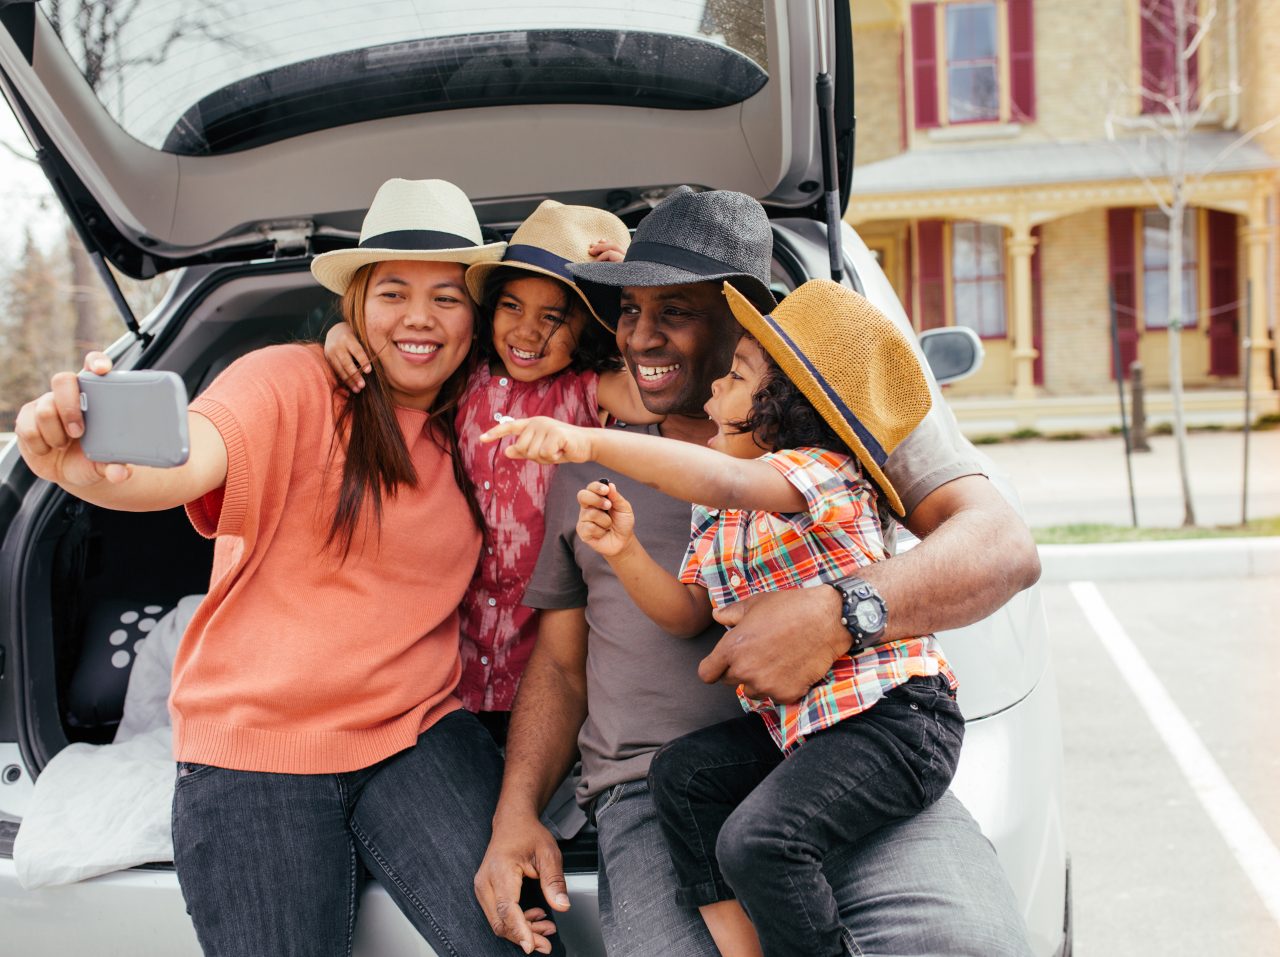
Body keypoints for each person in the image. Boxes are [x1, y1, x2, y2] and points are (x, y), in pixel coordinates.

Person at [473, 186, 1041, 957]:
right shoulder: (592, 470)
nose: (640, 336)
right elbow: (565, 664)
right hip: (660, 786)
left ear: (747, 322)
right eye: (628, 311)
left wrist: (841, 611)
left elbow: (1004, 547)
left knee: (964, 944)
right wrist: (515, 813)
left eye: (674, 310)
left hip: (849, 740)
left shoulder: (837, 427)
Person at [15, 178, 561, 957]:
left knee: (526, 948)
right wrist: (79, 463)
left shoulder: (485, 421)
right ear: (358, 304)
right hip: (255, 749)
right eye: (394, 291)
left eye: (447, 296)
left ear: (474, 317)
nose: (418, 317)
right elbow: (187, 456)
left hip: (418, 732)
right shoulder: (290, 381)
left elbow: (593, 363)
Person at [323, 200, 648, 740]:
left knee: (534, 743)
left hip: (545, 641)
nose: (525, 332)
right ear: (489, 309)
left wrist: (632, 302)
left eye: (552, 318)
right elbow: (399, 355)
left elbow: (657, 393)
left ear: (589, 326)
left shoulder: (586, 392)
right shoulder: (462, 378)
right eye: (512, 307)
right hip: (453, 651)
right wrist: (339, 335)